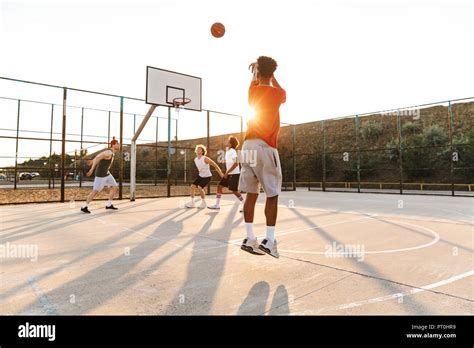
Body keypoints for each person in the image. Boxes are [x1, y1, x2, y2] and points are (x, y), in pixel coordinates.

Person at [239, 56, 286, 258]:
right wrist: (270, 74)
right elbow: (281, 92)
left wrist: (255, 71)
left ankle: (250, 238)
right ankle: (270, 240)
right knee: (272, 193)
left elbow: (255, 80)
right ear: (273, 73)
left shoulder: (252, 91)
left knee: (251, 193)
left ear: (257, 73)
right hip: (266, 147)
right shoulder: (278, 94)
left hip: (247, 146)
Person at [80, 137, 120, 214]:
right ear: (113, 145)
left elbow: (98, 156)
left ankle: (109, 204)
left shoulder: (110, 152)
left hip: (107, 173)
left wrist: (93, 160)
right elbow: (98, 157)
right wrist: (92, 169)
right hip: (101, 175)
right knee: (95, 191)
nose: (119, 145)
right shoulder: (109, 152)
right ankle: (84, 206)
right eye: (117, 144)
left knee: (115, 186)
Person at [208, 136, 244, 211]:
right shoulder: (228, 151)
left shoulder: (233, 151)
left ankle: (245, 204)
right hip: (229, 173)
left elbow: (236, 163)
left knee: (234, 191)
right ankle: (217, 205)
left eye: (228, 141)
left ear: (231, 144)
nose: (226, 142)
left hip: (234, 174)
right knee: (219, 186)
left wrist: (227, 172)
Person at [185, 144, 223, 209]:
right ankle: (192, 203)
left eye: (199, 149)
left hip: (207, 176)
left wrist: (221, 174)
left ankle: (203, 202)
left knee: (199, 187)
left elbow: (215, 165)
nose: (198, 150)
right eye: (197, 149)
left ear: (202, 152)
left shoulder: (205, 159)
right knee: (192, 186)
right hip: (201, 176)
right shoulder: (195, 159)